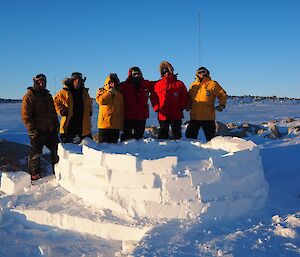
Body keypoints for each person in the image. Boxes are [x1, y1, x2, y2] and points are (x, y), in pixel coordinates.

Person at [21, 74, 59, 180]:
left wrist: (56, 124)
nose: (41, 84)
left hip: (50, 129)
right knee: (35, 153)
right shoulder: (29, 96)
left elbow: (53, 112)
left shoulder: (48, 96)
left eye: (43, 82)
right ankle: (34, 174)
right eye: (39, 82)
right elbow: (25, 115)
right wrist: (30, 129)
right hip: (37, 130)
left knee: (56, 150)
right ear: (35, 83)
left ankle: (58, 170)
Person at [186, 66, 227, 141]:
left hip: (208, 117)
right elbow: (189, 97)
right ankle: (191, 151)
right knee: (189, 137)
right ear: (196, 74)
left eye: (203, 72)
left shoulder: (212, 84)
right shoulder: (193, 85)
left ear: (207, 73)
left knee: (211, 139)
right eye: (199, 72)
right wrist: (188, 105)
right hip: (195, 117)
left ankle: (212, 152)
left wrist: (222, 105)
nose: (201, 74)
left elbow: (222, 94)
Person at [150, 61, 188, 139]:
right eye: (164, 72)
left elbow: (185, 96)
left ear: (171, 71)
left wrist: (181, 106)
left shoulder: (179, 84)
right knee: (163, 132)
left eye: (168, 72)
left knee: (177, 133)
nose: (166, 74)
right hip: (163, 113)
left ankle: (179, 149)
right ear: (162, 73)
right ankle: (163, 149)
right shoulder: (158, 84)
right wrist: (157, 108)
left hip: (176, 113)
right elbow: (153, 97)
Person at [54, 72, 93, 143]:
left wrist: (90, 111)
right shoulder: (64, 91)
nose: (77, 81)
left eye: (79, 80)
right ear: (72, 81)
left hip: (82, 123)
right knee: (67, 148)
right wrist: (61, 110)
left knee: (90, 146)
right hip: (69, 123)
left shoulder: (84, 92)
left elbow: (89, 102)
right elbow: (55, 102)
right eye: (75, 80)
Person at [120, 67, 155, 141]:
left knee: (139, 137)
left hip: (141, 115)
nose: (136, 76)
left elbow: (157, 84)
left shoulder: (146, 84)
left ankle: (140, 151)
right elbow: (113, 88)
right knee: (127, 137)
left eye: (138, 74)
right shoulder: (124, 85)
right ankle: (125, 151)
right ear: (130, 75)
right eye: (134, 74)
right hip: (128, 115)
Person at [96, 73, 124, 143]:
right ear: (108, 83)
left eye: (115, 83)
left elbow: (122, 106)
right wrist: (109, 93)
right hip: (104, 125)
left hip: (116, 125)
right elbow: (100, 101)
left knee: (114, 147)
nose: (113, 85)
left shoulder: (119, 94)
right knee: (103, 147)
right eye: (111, 83)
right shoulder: (102, 91)